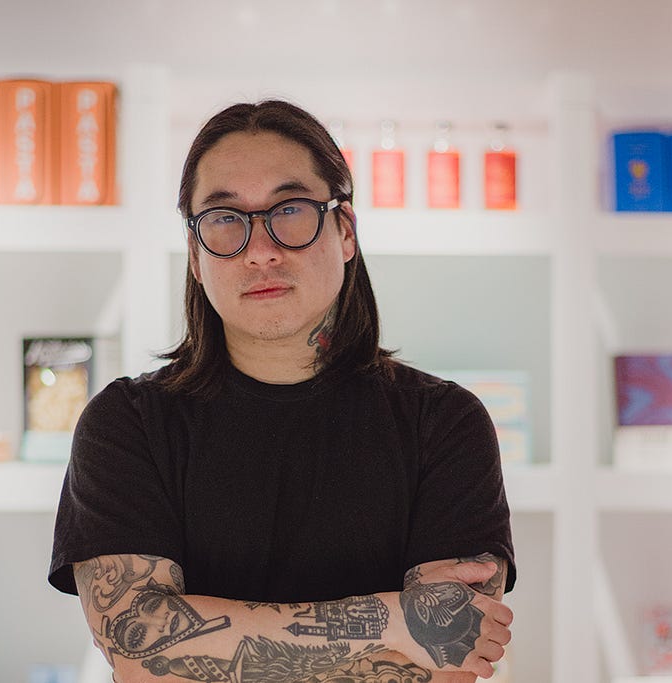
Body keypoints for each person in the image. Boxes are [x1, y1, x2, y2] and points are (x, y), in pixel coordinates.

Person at [49, 99, 517, 682]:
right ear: (195, 255)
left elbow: (452, 649)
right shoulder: (128, 423)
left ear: (345, 231)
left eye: (290, 210)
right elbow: (142, 657)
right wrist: (395, 625)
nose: (261, 249)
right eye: (225, 219)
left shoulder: (443, 423)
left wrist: (208, 642)